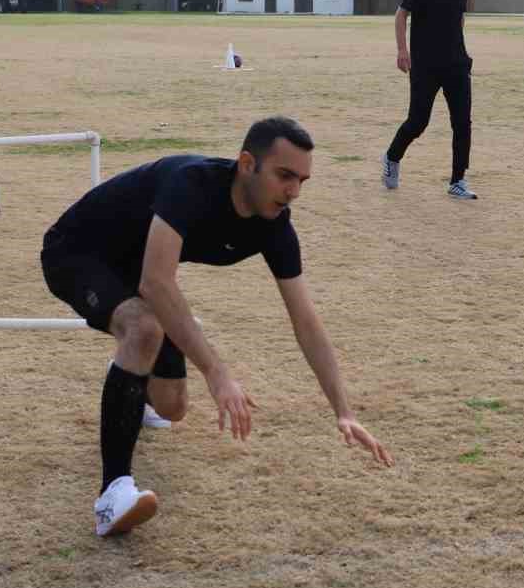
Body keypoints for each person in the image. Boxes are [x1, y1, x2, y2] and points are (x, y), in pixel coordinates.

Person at [41, 116, 393, 536]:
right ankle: (112, 496)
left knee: (172, 408)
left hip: (135, 272)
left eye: (302, 180)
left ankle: (129, 383)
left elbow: (306, 320)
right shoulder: (191, 185)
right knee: (145, 328)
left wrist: (343, 410)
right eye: (284, 175)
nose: (293, 192)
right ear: (247, 163)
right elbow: (156, 281)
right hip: (77, 252)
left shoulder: (274, 225)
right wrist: (216, 371)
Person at [382, 0, 479, 199]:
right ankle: (391, 157)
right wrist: (403, 50)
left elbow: (460, 17)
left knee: (463, 123)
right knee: (418, 121)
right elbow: (402, 15)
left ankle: (457, 180)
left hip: (457, 64)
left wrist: (460, 48)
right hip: (425, 65)